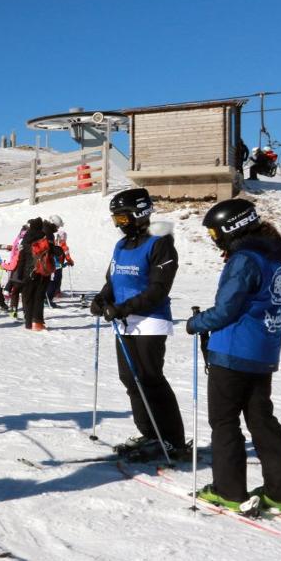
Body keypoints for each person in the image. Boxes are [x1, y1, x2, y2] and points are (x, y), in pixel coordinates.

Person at [186, 200, 281, 514]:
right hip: (263, 351)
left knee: (224, 421)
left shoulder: (244, 259)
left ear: (232, 228)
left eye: (215, 233)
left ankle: (228, 490)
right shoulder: (277, 258)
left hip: (233, 351)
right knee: (262, 420)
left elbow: (227, 309)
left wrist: (197, 323)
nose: (214, 240)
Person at [89, 188, 187, 460]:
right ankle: (149, 432)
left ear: (140, 214)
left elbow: (159, 289)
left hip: (150, 321)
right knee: (130, 379)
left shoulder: (160, 244)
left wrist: (124, 308)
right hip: (124, 321)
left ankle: (172, 440)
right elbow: (112, 280)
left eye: (123, 218)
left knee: (149, 378)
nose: (119, 224)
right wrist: (102, 299)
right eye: (116, 219)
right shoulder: (121, 246)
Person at [19, 218, 56, 330]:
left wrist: (20, 274)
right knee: (39, 297)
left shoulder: (25, 239)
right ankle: (38, 323)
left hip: (28, 273)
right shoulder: (44, 237)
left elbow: (21, 258)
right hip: (42, 272)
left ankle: (28, 323)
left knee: (28, 297)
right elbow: (53, 252)